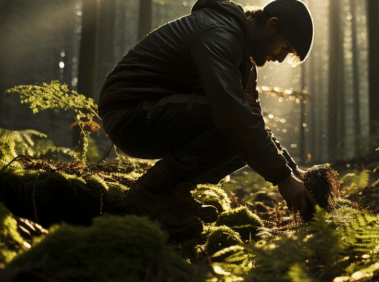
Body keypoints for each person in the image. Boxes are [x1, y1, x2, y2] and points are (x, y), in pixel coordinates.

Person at [98, 0, 317, 239]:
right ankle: (149, 195)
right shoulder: (220, 35)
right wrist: (283, 180)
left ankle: (175, 193)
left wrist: (294, 172)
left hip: (153, 113)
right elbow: (233, 117)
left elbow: (253, 119)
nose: (280, 59)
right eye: (285, 48)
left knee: (245, 133)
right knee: (233, 127)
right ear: (272, 25)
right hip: (129, 116)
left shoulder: (243, 58)